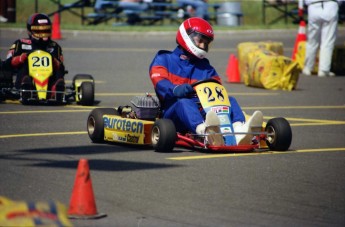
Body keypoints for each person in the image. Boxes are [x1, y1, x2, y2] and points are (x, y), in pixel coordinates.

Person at [149, 17, 263, 146]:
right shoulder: (164, 59)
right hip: (173, 113)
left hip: (203, 110)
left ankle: (239, 131)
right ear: (187, 36)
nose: (203, 46)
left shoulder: (205, 66)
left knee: (230, 100)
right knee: (184, 103)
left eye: (206, 43)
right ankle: (205, 133)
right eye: (200, 41)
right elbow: (160, 83)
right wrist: (176, 89)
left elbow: (217, 88)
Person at [5, 13, 65, 96]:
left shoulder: (54, 46)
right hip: (26, 76)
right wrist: (20, 59)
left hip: (48, 79)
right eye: (39, 31)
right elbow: (6, 64)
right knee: (25, 64)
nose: (42, 34)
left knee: (58, 70)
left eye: (45, 30)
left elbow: (61, 68)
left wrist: (54, 61)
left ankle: (56, 89)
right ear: (30, 31)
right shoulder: (20, 44)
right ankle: (25, 86)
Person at [301, 0, 343, 77]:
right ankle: (324, 69)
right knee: (328, 41)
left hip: (313, 6)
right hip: (331, 5)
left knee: (312, 40)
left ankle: (308, 67)